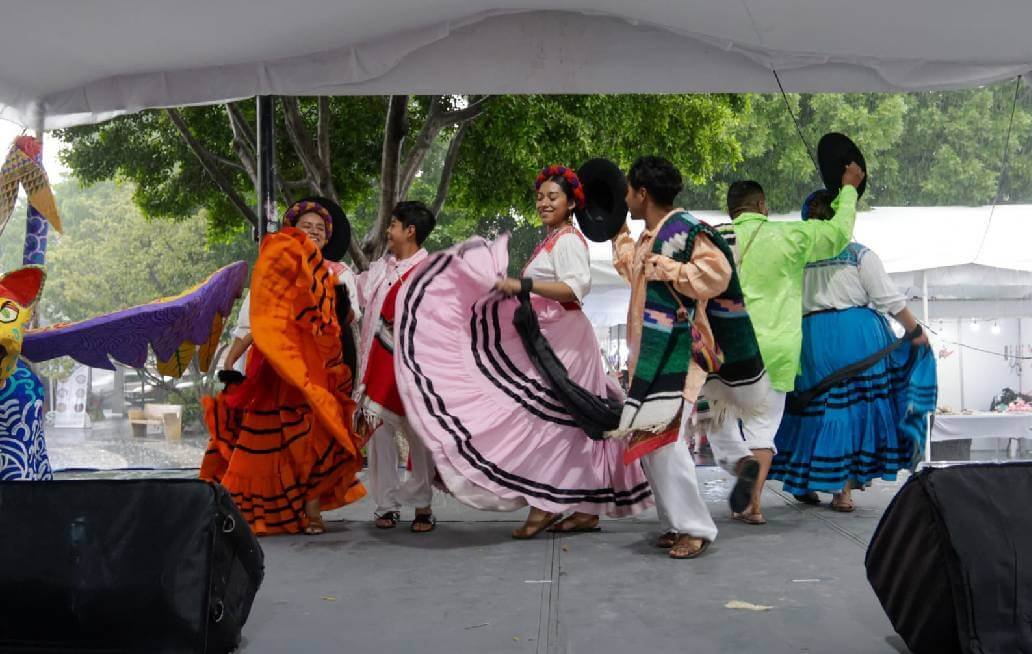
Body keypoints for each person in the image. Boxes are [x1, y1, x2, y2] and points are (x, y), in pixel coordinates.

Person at [392, 164, 652, 539]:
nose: (544, 203)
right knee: (570, 423)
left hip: (566, 341)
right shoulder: (551, 240)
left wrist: (522, 284)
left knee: (556, 421)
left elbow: (575, 289)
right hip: (549, 338)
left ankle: (547, 506)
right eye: (540, 197)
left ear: (571, 204)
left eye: (553, 197)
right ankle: (585, 508)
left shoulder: (568, 241)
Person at [611, 156, 764, 558]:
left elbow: (716, 276)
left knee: (666, 442)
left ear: (643, 193)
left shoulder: (686, 231)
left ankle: (695, 528)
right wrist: (619, 237)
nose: (626, 197)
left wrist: (668, 268)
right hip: (652, 357)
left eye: (628, 190)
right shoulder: (650, 236)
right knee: (651, 441)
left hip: (679, 353)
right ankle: (673, 523)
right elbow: (636, 272)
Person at [201, 198, 366, 535]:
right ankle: (270, 512)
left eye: (320, 229)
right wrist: (231, 361)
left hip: (319, 372)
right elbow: (253, 323)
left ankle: (313, 513)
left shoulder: (339, 274)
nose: (315, 232)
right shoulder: (274, 268)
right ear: (294, 229)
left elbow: (348, 324)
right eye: (308, 227)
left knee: (316, 441)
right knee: (272, 445)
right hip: (275, 372)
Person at [768, 190, 937, 510]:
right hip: (856, 337)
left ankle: (805, 481)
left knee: (812, 408)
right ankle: (842, 490)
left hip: (808, 338)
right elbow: (889, 299)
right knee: (852, 411)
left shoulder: (795, 259)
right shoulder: (859, 254)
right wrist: (915, 330)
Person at [722, 163, 865, 523]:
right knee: (762, 425)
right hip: (776, 349)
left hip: (725, 351)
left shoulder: (712, 238)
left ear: (730, 210)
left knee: (717, 421)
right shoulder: (786, 236)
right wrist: (847, 188)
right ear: (763, 205)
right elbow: (836, 234)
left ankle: (737, 462)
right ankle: (753, 504)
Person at [355, 200, 438, 533]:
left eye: (392, 225)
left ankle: (422, 505)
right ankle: (385, 505)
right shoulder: (382, 269)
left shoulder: (430, 271)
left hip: (416, 369)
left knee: (420, 437)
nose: (388, 232)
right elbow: (358, 296)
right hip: (379, 365)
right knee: (379, 435)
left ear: (410, 231)